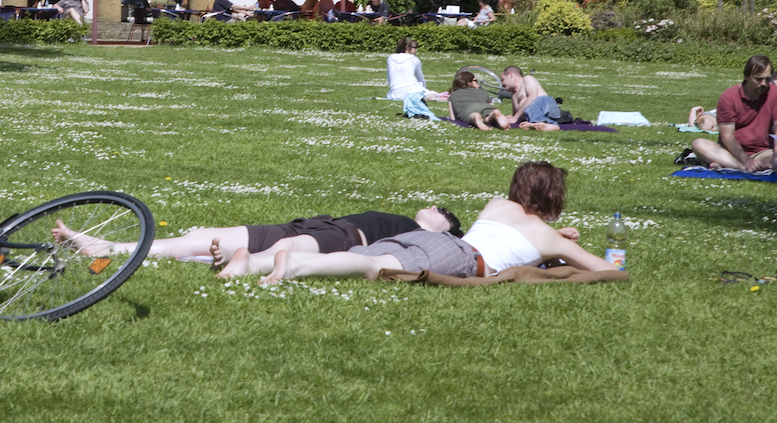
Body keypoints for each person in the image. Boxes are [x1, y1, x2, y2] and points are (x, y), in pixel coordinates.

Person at [236, 162, 619, 284]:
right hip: (463, 258)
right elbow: (610, 272)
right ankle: (295, 267)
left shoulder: (497, 205)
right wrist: (561, 247)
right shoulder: (549, 238)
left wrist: (552, 240)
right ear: (553, 199)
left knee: (361, 254)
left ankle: (250, 263)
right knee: (372, 267)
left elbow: (514, 234)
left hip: (425, 239)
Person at [52, 205, 463, 266]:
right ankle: (106, 246)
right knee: (201, 233)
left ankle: (236, 265)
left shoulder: (431, 238)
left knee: (287, 249)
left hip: (343, 236)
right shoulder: (407, 221)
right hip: (313, 223)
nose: (435, 208)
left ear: (448, 228)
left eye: (444, 212)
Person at [691, 54, 776, 171]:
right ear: (746, 76)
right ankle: (743, 167)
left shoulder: (774, 93)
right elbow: (727, 136)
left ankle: (729, 166)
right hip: (731, 151)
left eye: (767, 79)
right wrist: (746, 161)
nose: (764, 84)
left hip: (765, 152)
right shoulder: (728, 97)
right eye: (759, 79)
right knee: (698, 144)